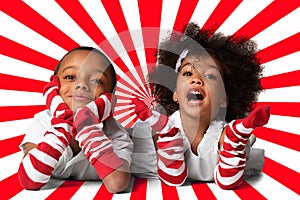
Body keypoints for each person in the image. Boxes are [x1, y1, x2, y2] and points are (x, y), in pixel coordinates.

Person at [130, 22, 270, 189]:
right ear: (175, 93)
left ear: (224, 99)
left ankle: (235, 141)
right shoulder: (155, 131)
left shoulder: (221, 132)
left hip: (223, 154)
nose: (196, 79)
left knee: (231, 147)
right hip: (164, 150)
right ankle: (168, 138)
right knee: (154, 134)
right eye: (188, 73)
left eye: (210, 76)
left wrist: (229, 140)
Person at [18, 46, 133, 193]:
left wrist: (88, 128)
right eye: (70, 77)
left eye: (96, 80)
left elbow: (117, 184)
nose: (81, 85)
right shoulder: (43, 121)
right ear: (54, 87)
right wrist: (63, 124)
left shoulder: (116, 133)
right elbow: (29, 179)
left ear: (110, 97)